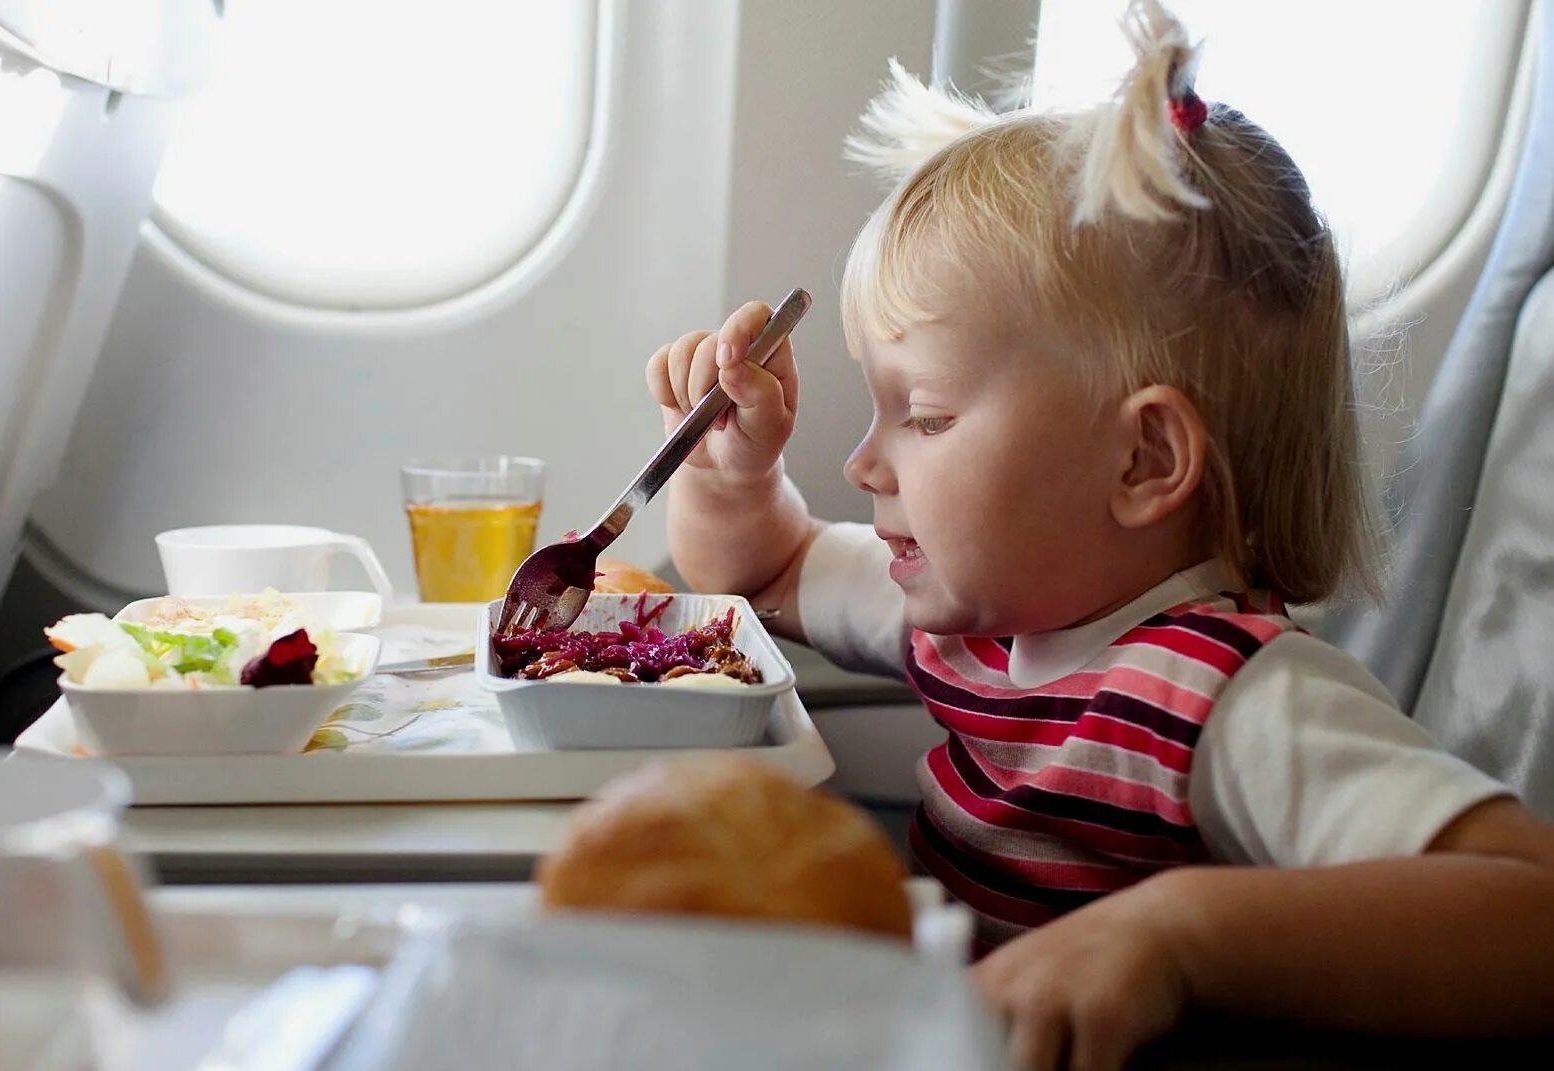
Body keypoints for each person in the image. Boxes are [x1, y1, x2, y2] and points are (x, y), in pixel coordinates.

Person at [645, 1, 1554, 1067]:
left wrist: (1171, 937)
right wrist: (734, 470)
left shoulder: (1230, 702)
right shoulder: (980, 616)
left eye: (925, 417)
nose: (865, 465)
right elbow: (761, 567)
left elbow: (1527, 913)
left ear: (1142, 462)